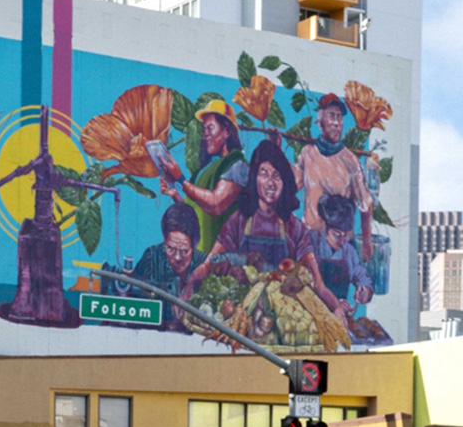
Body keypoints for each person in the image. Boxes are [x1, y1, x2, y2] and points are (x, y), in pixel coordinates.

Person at [185, 138, 349, 323]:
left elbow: (318, 285)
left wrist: (336, 307)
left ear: (284, 182)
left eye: (276, 176)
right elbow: (209, 264)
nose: (270, 183)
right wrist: (190, 285)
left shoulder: (295, 229)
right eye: (264, 174)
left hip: (282, 319)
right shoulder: (238, 221)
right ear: (254, 178)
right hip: (241, 318)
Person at [157, 99, 247, 253]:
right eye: (204, 129)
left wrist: (181, 180)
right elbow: (194, 212)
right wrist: (176, 196)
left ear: (226, 131)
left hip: (220, 258)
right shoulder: (205, 169)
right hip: (197, 255)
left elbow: (216, 204)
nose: (205, 134)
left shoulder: (238, 165)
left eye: (210, 128)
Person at [293, 92, 374, 260]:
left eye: (339, 117)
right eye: (331, 115)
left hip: (339, 246)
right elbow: (292, 186)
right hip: (309, 242)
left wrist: (367, 241)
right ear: (320, 121)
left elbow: (366, 204)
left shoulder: (350, 161)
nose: (336, 123)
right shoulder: (307, 153)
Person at [131, 201, 206, 328]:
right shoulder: (151, 259)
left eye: (184, 251)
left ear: (195, 245)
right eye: (170, 249)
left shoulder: (204, 264)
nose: (177, 257)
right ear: (164, 240)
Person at [309, 193, 374, 313]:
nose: (342, 241)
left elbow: (360, 273)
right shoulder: (311, 243)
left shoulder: (348, 251)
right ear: (323, 226)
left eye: (346, 235)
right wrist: (334, 303)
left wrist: (365, 288)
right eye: (337, 235)